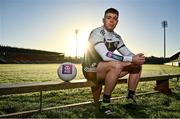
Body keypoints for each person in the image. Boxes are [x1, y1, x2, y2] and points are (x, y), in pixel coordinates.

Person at [82, 8, 145, 115]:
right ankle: (105, 104)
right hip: (91, 69)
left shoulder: (117, 37)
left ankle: (130, 98)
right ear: (103, 20)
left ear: (117, 22)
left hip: (108, 67)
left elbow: (128, 54)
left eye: (115, 18)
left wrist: (137, 58)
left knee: (136, 66)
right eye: (109, 17)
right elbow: (106, 55)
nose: (111, 20)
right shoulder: (96, 32)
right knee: (116, 65)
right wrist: (131, 59)